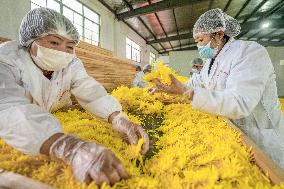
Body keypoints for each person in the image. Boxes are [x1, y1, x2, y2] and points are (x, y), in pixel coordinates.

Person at [0, 8, 149, 186]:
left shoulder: (71, 64)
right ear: (31, 41)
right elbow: (8, 108)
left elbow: (90, 91)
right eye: (54, 42)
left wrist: (118, 118)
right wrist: (69, 147)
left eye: (69, 46)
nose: (63, 51)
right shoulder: (6, 59)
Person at [150, 8, 284, 169]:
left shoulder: (248, 52)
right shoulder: (209, 63)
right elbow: (195, 82)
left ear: (219, 34)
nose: (199, 46)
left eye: (201, 40)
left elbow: (239, 103)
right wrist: (169, 86)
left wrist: (187, 93)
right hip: (237, 134)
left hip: (264, 138)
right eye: (196, 42)